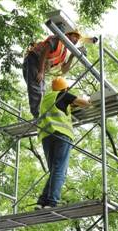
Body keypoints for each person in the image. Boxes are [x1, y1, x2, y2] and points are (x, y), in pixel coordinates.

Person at [35, 76, 91, 209]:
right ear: (65, 88)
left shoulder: (46, 99)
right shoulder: (63, 94)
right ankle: (52, 202)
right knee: (60, 169)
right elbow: (84, 104)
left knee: (54, 170)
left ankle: (42, 201)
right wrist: (90, 101)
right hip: (61, 134)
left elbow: (61, 106)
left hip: (46, 136)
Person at [22, 30, 82, 119]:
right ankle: (38, 115)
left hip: (38, 66)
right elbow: (45, 52)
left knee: (41, 90)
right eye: (75, 36)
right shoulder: (58, 39)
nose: (76, 39)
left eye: (78, 38)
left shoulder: (64, 52)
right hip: (34, 60)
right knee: (36, 89)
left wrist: (71, 57)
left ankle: (39, 113)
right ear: (67, 35)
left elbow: (64, 70)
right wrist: (41, 71)